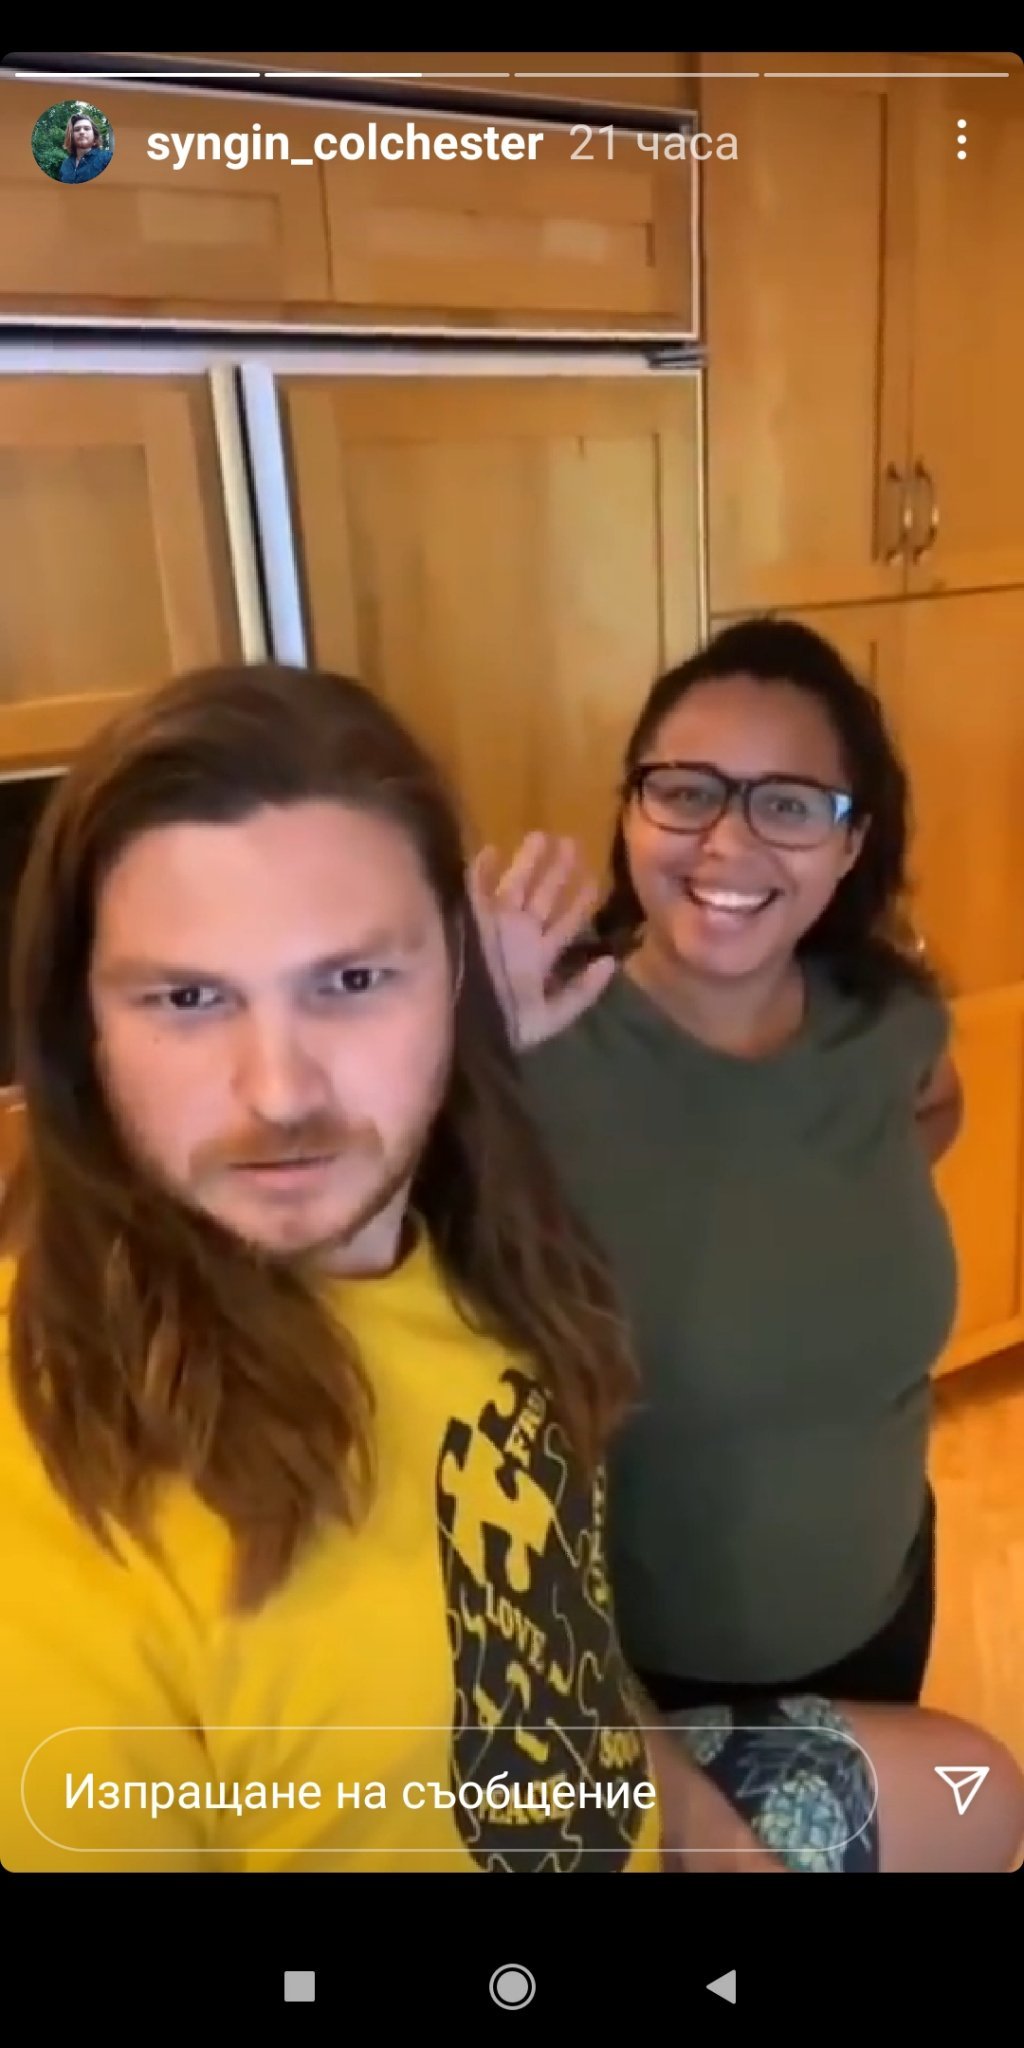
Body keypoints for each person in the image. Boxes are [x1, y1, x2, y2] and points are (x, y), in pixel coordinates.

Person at [0, 661, 1020, 1879]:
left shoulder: (481, 1273)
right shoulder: (46, 1484)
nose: (279, 1090)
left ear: (450, 975)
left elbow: (562, 1639)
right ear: (80, 1029)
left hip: (699, 1726)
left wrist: (706, 1832)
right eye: (185, 996)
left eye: (354, 980)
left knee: (976, 1789)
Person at [469, 617, 965, 1715]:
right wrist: (455, 1051)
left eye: (789, 804)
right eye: (686, 791)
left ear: (850, 843)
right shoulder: (535, 1039)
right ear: (629, 812)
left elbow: (936, 1106)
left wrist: (815, 1208)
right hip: (635, 1673)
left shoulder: (888, 1022)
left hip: (885, 1609)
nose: (727, 843)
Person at [58, 111, 113, 183]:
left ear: (94, 135)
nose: (82, 132)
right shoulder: (65, 164)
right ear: (71, 136)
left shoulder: (108, 158)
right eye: (77, 129)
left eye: (87, 128)